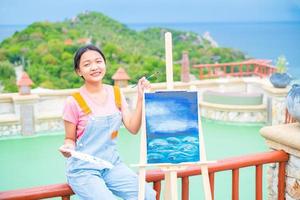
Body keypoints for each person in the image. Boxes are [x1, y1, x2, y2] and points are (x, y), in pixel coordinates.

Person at [59, 44, 156, 200]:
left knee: (147, 195)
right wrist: (67, 148)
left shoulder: (117, 93)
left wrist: (140, 97)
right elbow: (69, 139)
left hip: (112, 165)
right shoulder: (73, 101)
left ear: (104, 64)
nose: (94, 67)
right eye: (87, 64)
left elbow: (133, 127)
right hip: (84, 170)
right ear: (79, 71)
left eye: (98, 61)